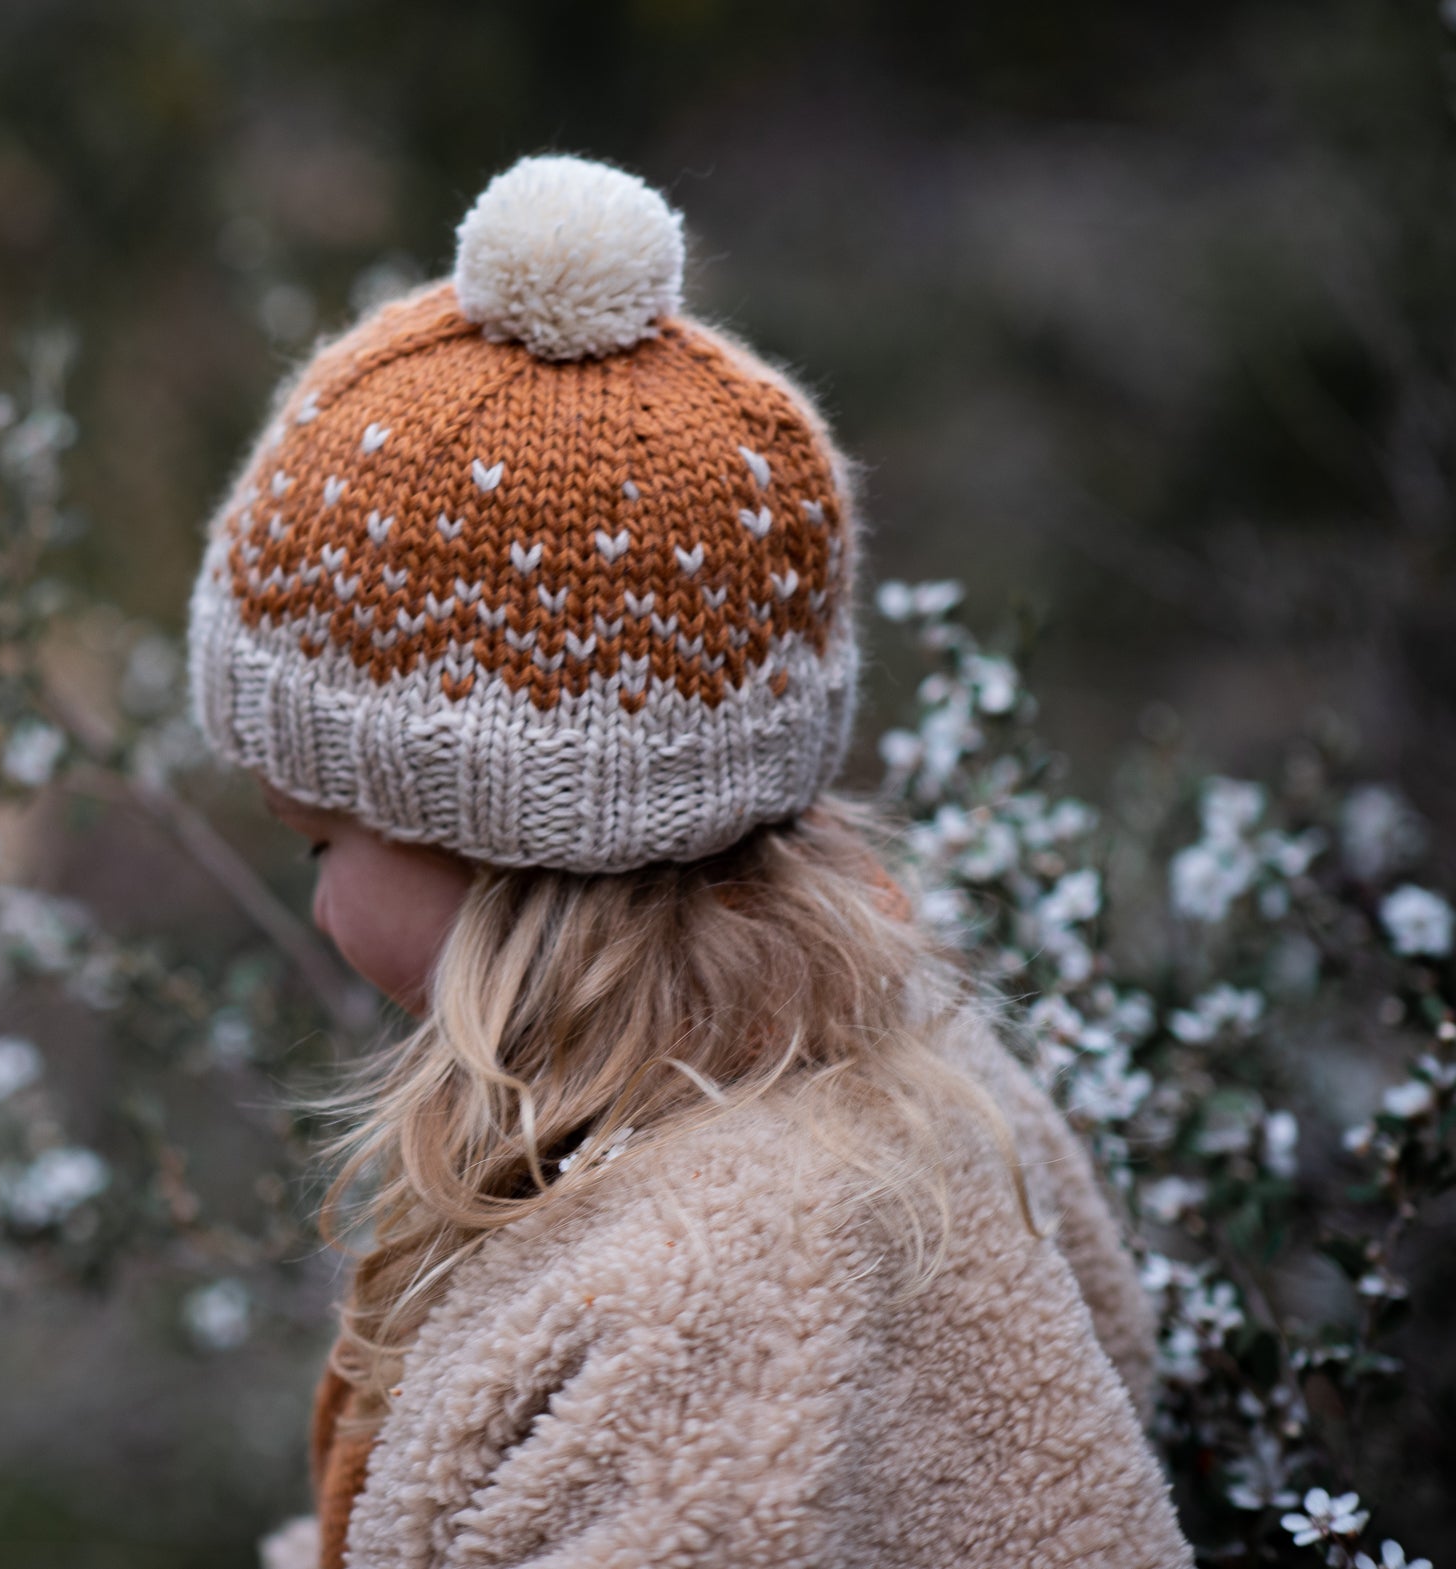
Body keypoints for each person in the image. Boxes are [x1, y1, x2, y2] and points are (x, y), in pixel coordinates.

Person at [186, 154, 1192, 1569]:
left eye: (317, 838)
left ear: (500, 840)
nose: (316, 894)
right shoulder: (907, 1049)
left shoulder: (698, 1300)